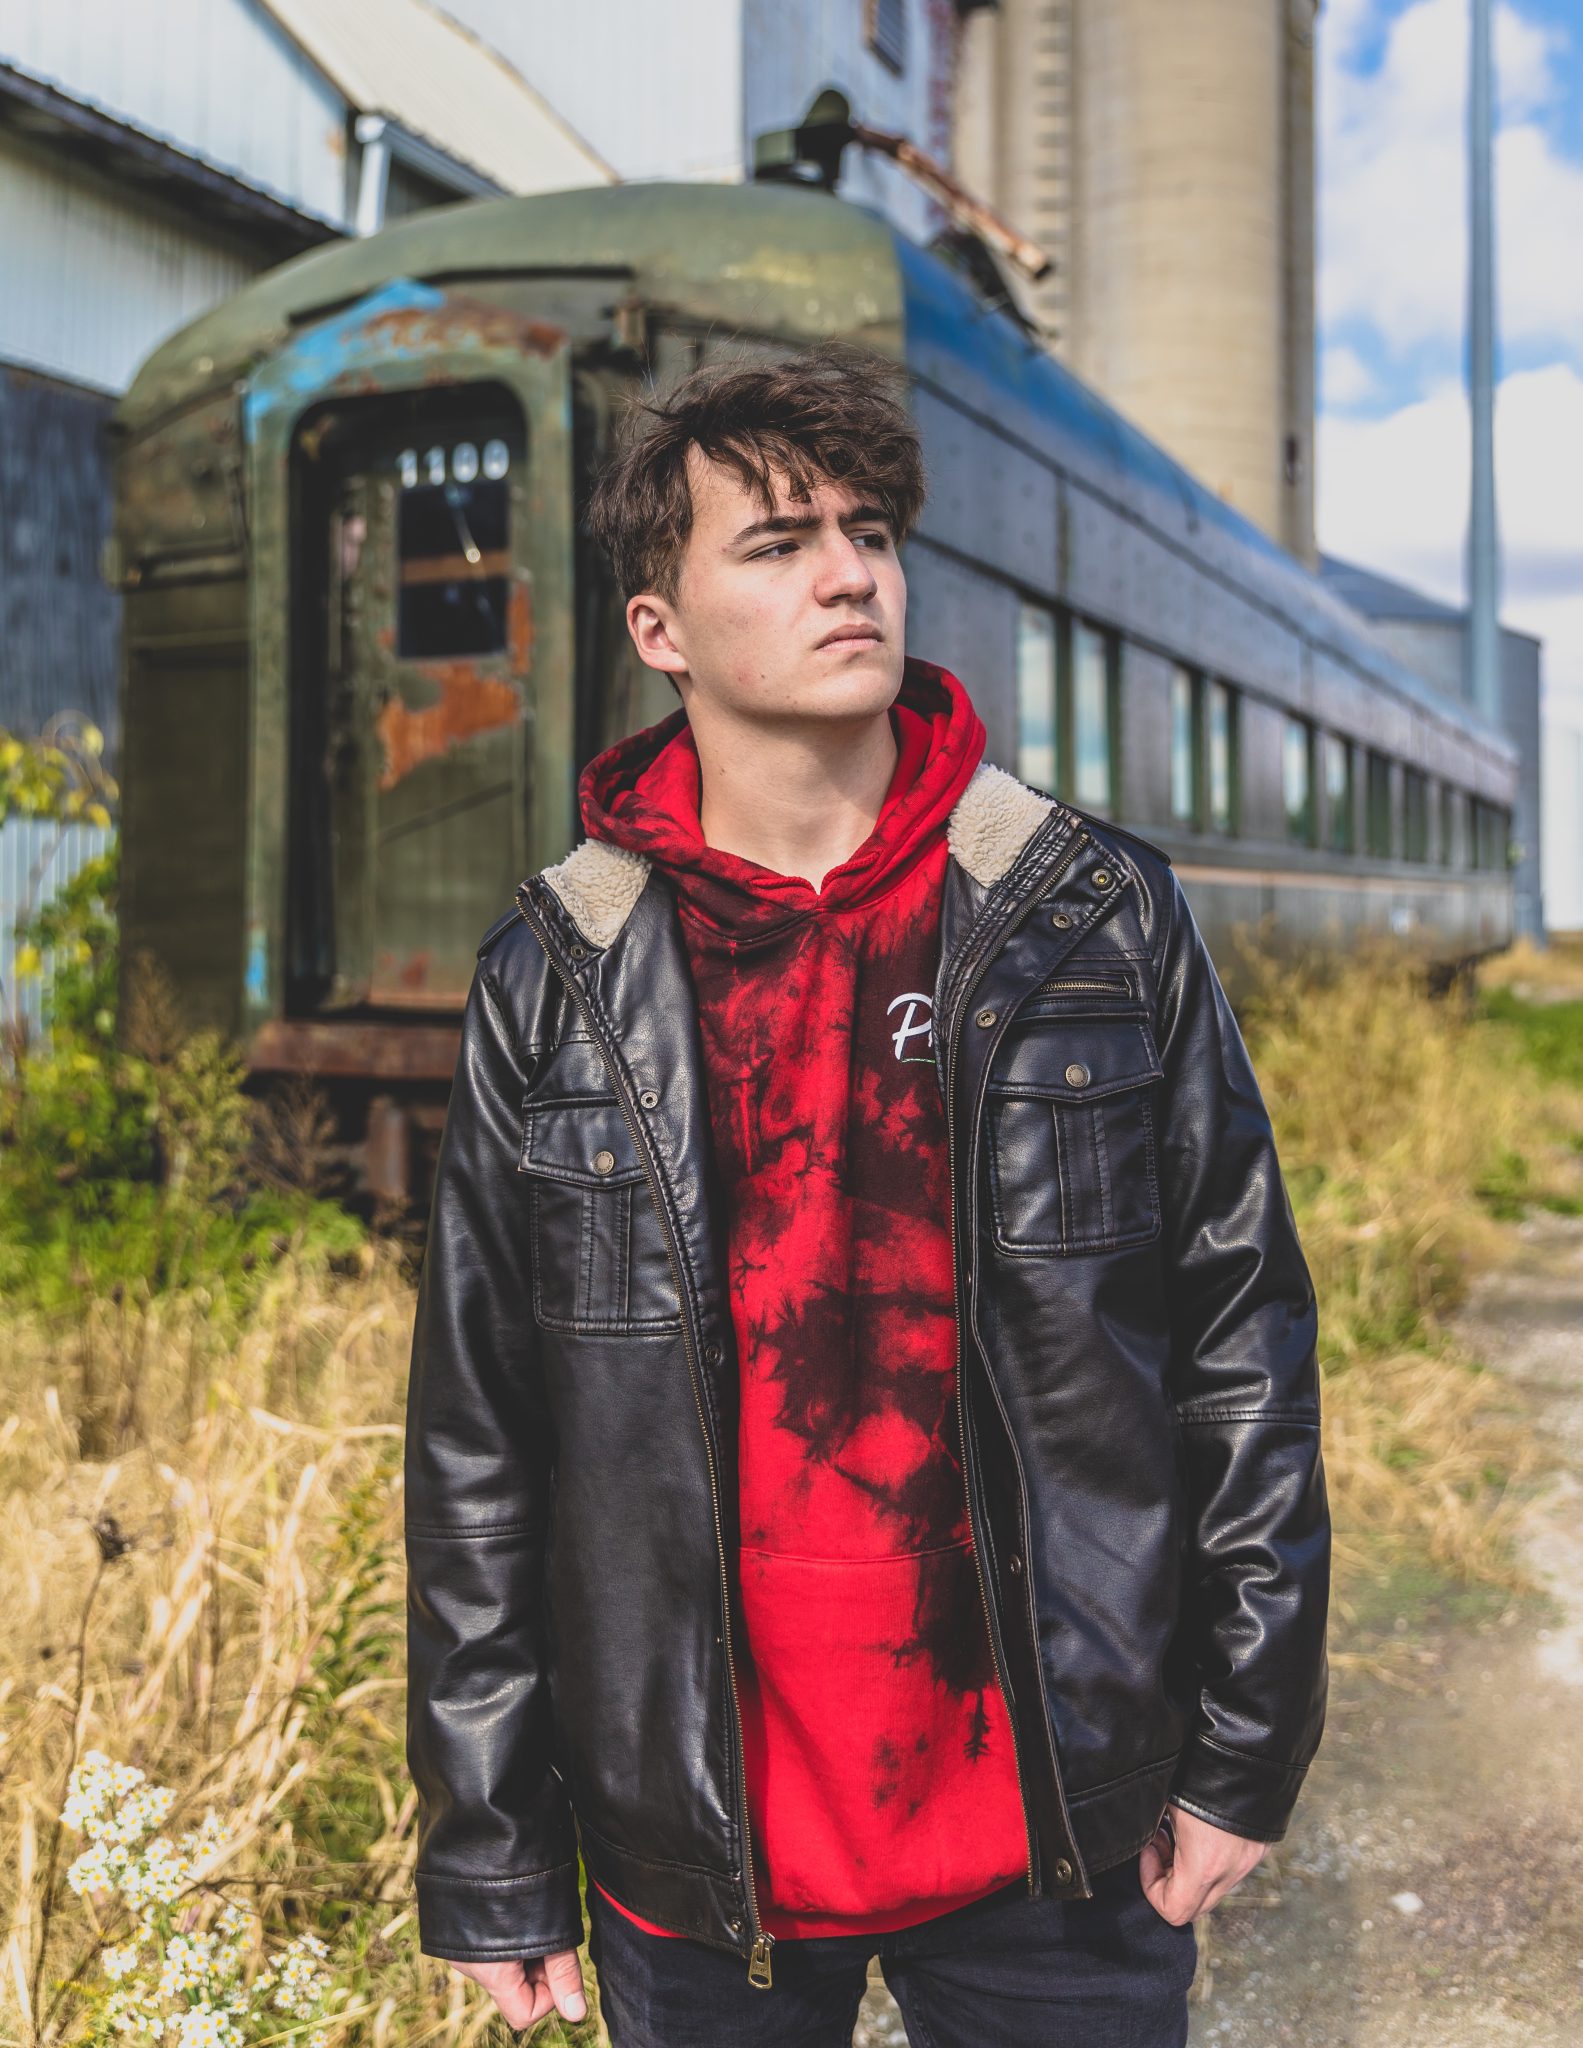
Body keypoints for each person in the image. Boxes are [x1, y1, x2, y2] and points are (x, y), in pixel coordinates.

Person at [403, 341, 1330, 2047]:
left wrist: (1248, 1739)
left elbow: (1240, 1338)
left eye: (870, 532)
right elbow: (483, 1436)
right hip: (700, 1851)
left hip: (1056, 1823)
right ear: (659, 628)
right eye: (778, 542)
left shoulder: (1089, 914)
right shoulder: (557, 974)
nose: (850, 574)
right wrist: (490, 1845)